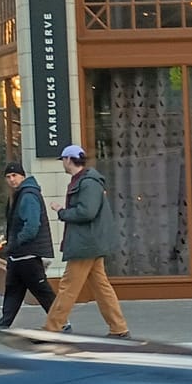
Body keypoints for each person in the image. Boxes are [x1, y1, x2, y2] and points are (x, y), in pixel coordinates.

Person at [42, 145, 129, 339]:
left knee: (68, 287)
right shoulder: (86, 181)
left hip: (86, 243)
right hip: (91, 242)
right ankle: (118, 328)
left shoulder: (87, 182)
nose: (62, 164)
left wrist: (62, 212)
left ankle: (51, 329)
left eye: (63, 160)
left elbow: (87, 212)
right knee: (101, 287)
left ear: (68, 160)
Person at [0, 162, 57, 330]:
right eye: (8, 177)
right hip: (18, 255)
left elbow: (31, 226)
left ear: (22, 176)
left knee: (42, 291)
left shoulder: (28, 195)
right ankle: (4, 324)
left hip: (27, 254)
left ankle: (62, 322)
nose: (11, 180)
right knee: (13, 291)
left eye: (14, 176)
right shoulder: (20, 194)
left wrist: (15, 242)